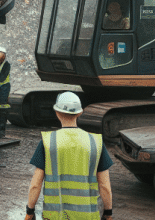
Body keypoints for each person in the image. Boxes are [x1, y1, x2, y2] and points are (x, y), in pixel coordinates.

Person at [24, 92, 113, 220]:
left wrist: (30, 211)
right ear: (79, 113)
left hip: (55, 216)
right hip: (88, 216)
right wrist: (108, 213)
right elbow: (105, 186)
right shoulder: (95, 142)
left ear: (56, 112)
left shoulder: (49, 142)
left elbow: (35, 185)